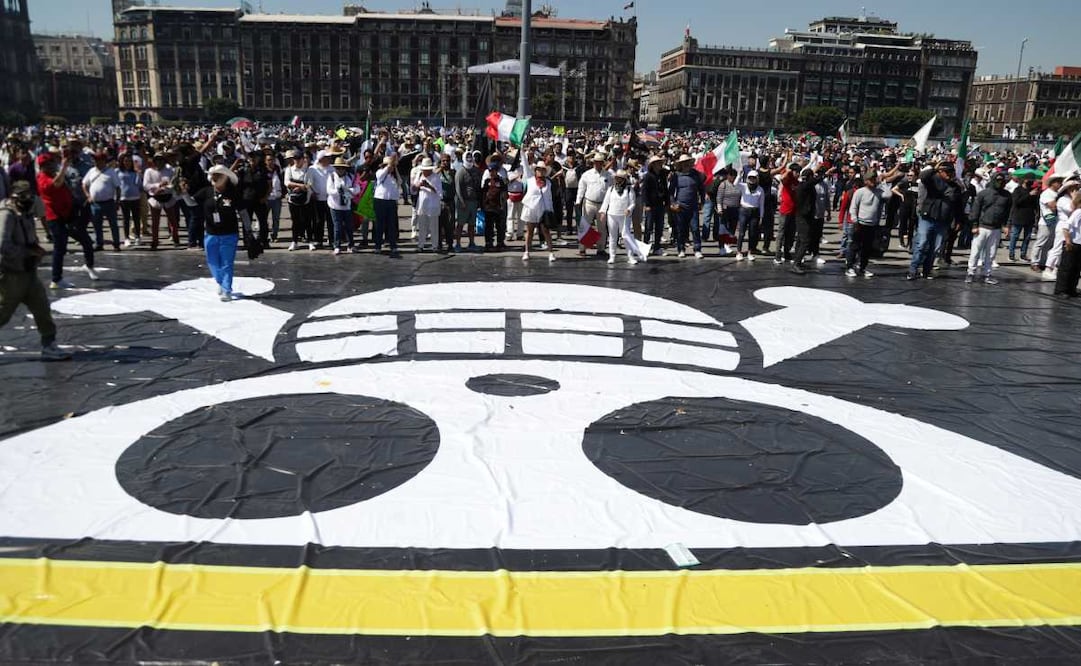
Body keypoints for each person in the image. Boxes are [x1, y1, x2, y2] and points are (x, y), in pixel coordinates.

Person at [0, 180, 72, 360]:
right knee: (3, 313)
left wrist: (35, 249)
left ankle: (49, 345)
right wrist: (26, 252)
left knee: (42, 308)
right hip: (11, 274)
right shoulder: (7, 215)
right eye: (24, 197)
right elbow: (2, 245)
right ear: (15, 197)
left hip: (28, 271)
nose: (28, 200)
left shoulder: (25, 213)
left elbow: (29, 237)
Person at [37, 152, 97, 288]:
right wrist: (64, 167)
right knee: (60, 248)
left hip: (68, 215)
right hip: (56, 218)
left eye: (53, 162)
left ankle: (89, 265)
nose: (53, 165)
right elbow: (56, 184)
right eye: (50, 163)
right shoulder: (42, 179)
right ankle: (56, 279)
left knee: (86, 240)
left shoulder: (53, 174)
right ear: (43, 166)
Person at [198, 164, 248, 301]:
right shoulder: (206, 191)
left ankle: (227, 289)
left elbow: (243, 212)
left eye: (218, 175)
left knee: (227, 263)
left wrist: (248, 230)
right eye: (213, 175)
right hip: (210, 233)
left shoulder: (233, 194)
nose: (214, 178)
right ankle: (220, 281)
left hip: (229, 234)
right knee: (212, 261)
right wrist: (183, 194)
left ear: (226, 178)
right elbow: (191, 203)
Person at [846, 167, 899, 278]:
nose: (873, 181)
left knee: (867, 248)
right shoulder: (860, 192)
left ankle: (862, 268)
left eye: (874, 179)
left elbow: (888, 195)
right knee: (854, 246)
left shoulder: (879, 192)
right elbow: (853, 208)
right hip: (860, 223)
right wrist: (855, 221)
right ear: (866, 181)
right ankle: (850, 267)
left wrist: (883, 182)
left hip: (872, 225)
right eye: (871, 179)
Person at [908, 162, 957, 281]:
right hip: (927, 217)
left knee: (935, 247)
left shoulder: (955, 186)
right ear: (941, 172)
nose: (949, 175)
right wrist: (934, 169)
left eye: (951, 172)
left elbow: (957, 204)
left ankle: (926, 270)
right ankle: (913, 269)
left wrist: (957, 219)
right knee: (922, 243)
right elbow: (923, 176)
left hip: (943, 220)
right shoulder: (933, 180)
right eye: (947, 172)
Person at [966, 171, 1012, 285]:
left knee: (991, 254)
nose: (1000, 183)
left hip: (996, 228)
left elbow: (1008, 212)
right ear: (993, 180)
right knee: (975, 251)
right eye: (998, 180)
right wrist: (974, 225)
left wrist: (1006, 226)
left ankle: (987, 274)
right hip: (982, 227)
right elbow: (975, 209)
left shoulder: (1007, 195)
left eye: (1002, 181)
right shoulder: (983, 193)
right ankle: (970, 273)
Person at [600, 169, 649, 265]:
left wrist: (629, 209)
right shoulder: (611, 189)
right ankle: (612, 256)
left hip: (624, 216)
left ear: (624, 180)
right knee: (613, 236)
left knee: (626, 236)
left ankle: (630, 257)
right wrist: (603, 212)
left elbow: (632, 203)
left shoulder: (629, 190)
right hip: (612, 215)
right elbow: (606, 202)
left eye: (620, 178)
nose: (618, 180)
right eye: (617, 178)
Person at [82, 152, 122, 252]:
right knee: (97, 225)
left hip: (109, 202)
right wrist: (88, 196)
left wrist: (117, 201)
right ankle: (99, 243)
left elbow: (118, 187)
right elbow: (84, 184)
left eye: (98, 160)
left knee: (113, 225)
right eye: (95, 160)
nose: (96, 162)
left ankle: (116, 244)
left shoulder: (111, 172)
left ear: (104, 161)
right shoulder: (91, 171)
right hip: (95, 203)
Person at [667, 153, 705, 259]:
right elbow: (671, 192)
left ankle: (697, 249)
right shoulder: (676, 176)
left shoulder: (696, 175)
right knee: (680, 230)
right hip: (680, 206)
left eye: (687, 163)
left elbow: (701, 189)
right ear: (681, 164)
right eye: (684, 163)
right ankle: (681, 249)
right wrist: (673, 203)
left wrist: (702, 202)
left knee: (695, 229)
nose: (686, 165)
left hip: (693, 206)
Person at [576, 152, 612, 257]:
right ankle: (582, 249)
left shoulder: (608, 175)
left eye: (600, 162)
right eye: (596, 162)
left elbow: (611, 190)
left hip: (602, 205)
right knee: (584, 226)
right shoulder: (587, 174)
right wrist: (578, 201)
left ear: (602, 163)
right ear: (593, 163)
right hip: (589, 203)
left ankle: (600, 249)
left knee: (602, 227)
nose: (598, 164)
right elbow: (581, 188)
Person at [520, 163, 557, 263]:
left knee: (546, 231)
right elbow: (524, 162)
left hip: (543, 209)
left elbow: (549, 198)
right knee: (530, 231)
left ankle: (551, 252)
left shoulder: (548, 183)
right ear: (535, 170)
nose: (541, 171)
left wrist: (551, 210)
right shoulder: (530, 180)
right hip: (531, 208)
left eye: (543, 170)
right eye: (539, 169)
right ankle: (527, 251)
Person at [143, 152, 180, 249]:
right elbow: (146, 185)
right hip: (155, 198)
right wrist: (157, 186)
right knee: (155, 222)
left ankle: (176, 238)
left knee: (173, 220)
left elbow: (173, 183)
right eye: (157, 160)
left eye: (161, 160)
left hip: (168, 196)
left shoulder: (170, 170)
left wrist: (164, 188)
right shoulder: (148, 171)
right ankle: (154, 241)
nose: (159, 162)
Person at [1031, 174, 1064, 274]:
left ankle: (1043, 262)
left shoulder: (1057, 193)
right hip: (1046, 221)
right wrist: (1060, 202)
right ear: (1052, 183)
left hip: (1055, 221)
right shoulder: (1047, 193)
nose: (1060, 184)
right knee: (1041, 242)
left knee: (1050, 244)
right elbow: (1052, 206)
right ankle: (1034, 262)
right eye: (1058, 182)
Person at [327, 156, 360, 255]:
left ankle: (351, 245)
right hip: (335, 205)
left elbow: (357, 189)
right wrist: (338, 191)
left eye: (342, 168)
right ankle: (337, 246)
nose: (340, 170)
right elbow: (329, 190)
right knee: (337, 227)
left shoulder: (350, 177)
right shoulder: (331, 176)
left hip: (347, 206)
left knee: (349, 226)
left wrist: (348, 190)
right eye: (338, 168)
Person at [284, 150, 315, 252]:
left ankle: (310, 241)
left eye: (299, 158)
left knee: (307, 221)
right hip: (293, 200)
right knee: (295, 221)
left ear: (303, 159)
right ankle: (294, 241)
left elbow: (309, 184)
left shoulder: (308, 170)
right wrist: (299, 185)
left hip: (306, 199)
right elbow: (287, 183)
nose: (297, 161)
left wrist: (301, 188)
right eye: (295, 159)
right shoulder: (289, 170)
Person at [372, 154, 401, 258]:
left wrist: (395, 168)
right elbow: (379, 177)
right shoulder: (380, 172)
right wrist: (388, 166)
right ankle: (378, 245)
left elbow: (400, 182)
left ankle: (393, 245)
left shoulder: (393, 176)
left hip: (391, 201)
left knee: (392, 225)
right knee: (379, 225)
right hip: (380, 200)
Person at [1053, 190, 1081, 298]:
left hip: (1079, 243)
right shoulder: (1078, 212)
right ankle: (1061, 290)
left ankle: (1071, 289)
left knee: (1076, 268)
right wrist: (1068, 241)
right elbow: (1066, 227)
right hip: (1072, 242)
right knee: (1066, 267)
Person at [734, 170, 766, 261]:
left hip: (754, 212)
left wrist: (761, 217)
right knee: (741, 233)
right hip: (744, 210)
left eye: (754, 178)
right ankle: (739, 252)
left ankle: (750, 252)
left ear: (757, 179)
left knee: (752, 234)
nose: (752, 180)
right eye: (750, 177)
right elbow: (735, 184)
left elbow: (761, 204)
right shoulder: (744, 186)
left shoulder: (760, 189)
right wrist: (739, 175)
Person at [641, 155, 669, 256]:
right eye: (657, 163)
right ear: (652, 165)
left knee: (659, 227)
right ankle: (645, 247)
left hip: (660, 204)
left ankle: (657, 247)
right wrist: (646, 204)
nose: (659, 165)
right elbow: (644, 191)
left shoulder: (662, 175)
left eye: (660, 163)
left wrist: (667, 202)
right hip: (651, 205)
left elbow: (665, 189)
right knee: (648, 227)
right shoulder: (648, 176)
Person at [480, 153, 508, 252]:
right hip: (489, 207)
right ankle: (488, 243)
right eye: (490, 170)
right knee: (489, 226)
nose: (492, 172)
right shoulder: (487, 180)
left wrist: (502, 204)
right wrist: (483, 204)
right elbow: (483, 192)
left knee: (500, 226)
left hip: (498, 206)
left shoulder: (501, 180)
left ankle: (500, 242)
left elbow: (504, 192)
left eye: (493, 170)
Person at [412, 157, 441, 253]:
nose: (425, 172)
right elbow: (413, 189)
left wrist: (428, 185)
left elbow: (439, 192)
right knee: (422, 226)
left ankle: (435, 246)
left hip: (432, 205)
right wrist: (418, 185)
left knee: (433, 227)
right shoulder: (420, 175)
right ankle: (420, 245)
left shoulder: (436, 177)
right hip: (422, 205)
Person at [453, 151, 481, 252]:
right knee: (460, 224)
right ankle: (458, 244)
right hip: (463, 203)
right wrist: (462, 202)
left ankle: (472, 243)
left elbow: (478, 186)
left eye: (470, 157)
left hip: (473, 202)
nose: (469, 159)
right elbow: (458, 188)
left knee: (472, 224)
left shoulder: (475, 170)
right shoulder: (460, 172)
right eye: (467, 157)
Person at [1008, 177, 1038, 262]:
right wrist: (1029, 195)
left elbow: (1035, 205)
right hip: (1018, 216)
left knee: (1027, 237)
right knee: (1015, 236)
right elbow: (1017, 202)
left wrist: (1035, 195)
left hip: (1029, 217)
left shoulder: (1033, 190)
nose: (1030, 181)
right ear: (1024, 180)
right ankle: (1011, 254)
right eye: (1028, 179)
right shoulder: (1018, 190)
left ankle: (1023, 254)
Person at [116, 153, 143, 247]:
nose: (127, 163)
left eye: (129, 161)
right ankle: (126, 238)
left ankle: (138, 236)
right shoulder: (117, 171)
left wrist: (139, 175)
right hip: (124, 198)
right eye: (126, 161)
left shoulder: (135, 172)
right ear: (122, 162)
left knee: (136, 218)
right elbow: (116, 185)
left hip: (135, 197)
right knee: (126, 219)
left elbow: (139, 185)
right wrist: (117, 198)